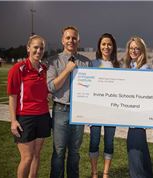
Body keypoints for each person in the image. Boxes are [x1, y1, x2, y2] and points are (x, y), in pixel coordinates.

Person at [47, 26, 92, 178]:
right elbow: (52, 87)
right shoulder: (54, 60)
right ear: (62, 40)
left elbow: (91, 89)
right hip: (61, 110)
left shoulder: (86, 62)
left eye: (74, 38)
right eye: (68, 38)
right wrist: (67, 70)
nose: (71, 41)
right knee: (59, 152)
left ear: (78, 40)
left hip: (78, 112)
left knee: (74, 152)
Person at [7, 35, 51, 178]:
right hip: (25, 117)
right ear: (28, 48)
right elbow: (12, 97)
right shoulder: (18, 69)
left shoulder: (45, 69)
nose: (39, 51)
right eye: (35, 47)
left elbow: (47, 91)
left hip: (43, 116)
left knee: (36, 155)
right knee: (27, 157)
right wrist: (13, 120)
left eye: (41, 48)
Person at [89, 33, 119, 178]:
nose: (106, 47)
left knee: (109, 142)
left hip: (111, 111)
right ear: (99, 46)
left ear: (113, 47)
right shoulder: (92, 64)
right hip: (95, 111)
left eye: (109, 44)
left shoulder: (118, 65)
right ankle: (95, 173)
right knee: (94, 141)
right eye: (103, 44)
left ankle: (105, 173)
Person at [123, 36, 153, 178]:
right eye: (131, 48)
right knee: (141, 156)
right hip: (133, 120)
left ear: (142, 50)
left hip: (138, 120)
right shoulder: (131, 67)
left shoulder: (145, 68)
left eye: (137, 48)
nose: (133, 50)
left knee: (135, 156)